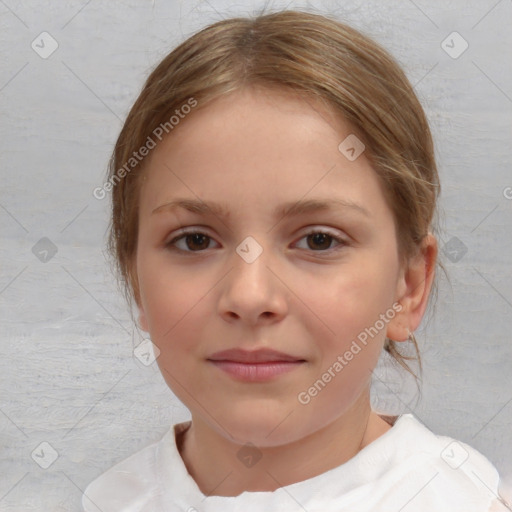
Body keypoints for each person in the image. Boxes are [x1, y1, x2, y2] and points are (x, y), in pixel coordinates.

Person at [82, 9, 507, 511]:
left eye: (319, 241)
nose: (249, 296)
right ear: (135, 279)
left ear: (409, 285)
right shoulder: (109, 501)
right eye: (195, 241)